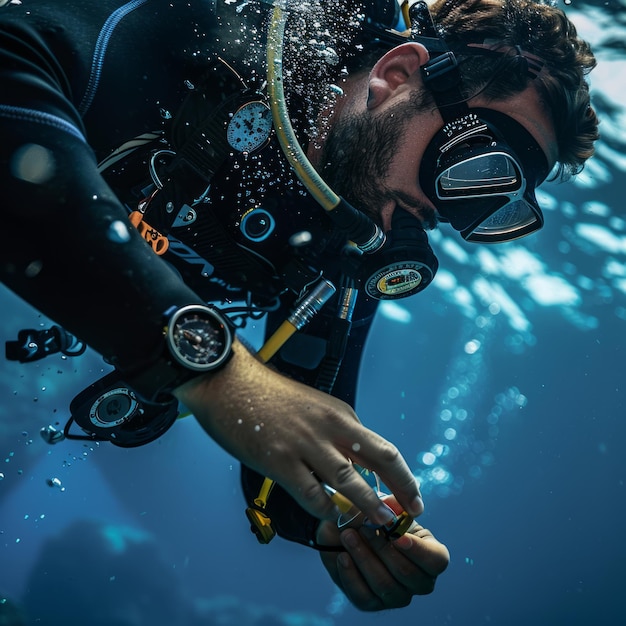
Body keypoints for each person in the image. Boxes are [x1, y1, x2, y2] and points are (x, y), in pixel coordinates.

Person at [0, 0, 597, 611]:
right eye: (473, 167)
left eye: (487, 206)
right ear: (396, 76)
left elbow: (293, 421)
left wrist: (344, 521)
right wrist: (211, 372)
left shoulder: (346, 238)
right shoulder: (205, 26)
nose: (446, 211)